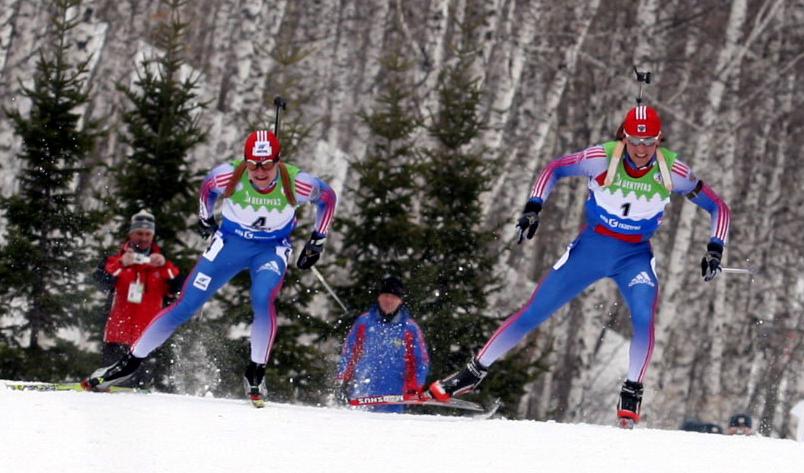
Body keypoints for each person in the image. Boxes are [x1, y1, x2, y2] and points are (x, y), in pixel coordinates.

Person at [427, 105, 731, 428]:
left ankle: (631, 391)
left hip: (634, 256)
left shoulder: (674, 172)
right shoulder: (602, 157)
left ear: (659, 140)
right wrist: (534, 206)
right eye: (634, 141)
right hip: (591, 249)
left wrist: (715, 248)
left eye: (649, 142)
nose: (641, 150)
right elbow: (553, 169)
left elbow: (719, 208)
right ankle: (472, 373)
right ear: (623, 137)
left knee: (643, 316)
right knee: (534, 311)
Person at [82, 130, 337, 404]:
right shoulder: (229, 177)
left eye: (266, 164)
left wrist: (317, 241)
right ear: (245, 161)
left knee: (263, 299)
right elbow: (207, 189)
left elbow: (328, 198)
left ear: (278, 161)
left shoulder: (298, 184)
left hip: (270, 249)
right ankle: (129, 363)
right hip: (229, 245)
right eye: (252, 164)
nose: (260, 172)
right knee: (185, 306)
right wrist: (206, 220)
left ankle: (255, 371)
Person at [93, 210, 182, 386]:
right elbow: (101, 282)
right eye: (139, 233)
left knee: (141, 394)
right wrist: (121, 264)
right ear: (131, 233)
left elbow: (180, 288)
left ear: (153, 235)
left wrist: (164, 266)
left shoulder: (163, 264)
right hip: (116, 337)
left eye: (148, 234)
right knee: (109, 388)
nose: (143, 238)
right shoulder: (115, 259)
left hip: (146, 340)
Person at [337, 276, 429, 413]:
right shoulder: (363, 323)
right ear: (379, 297)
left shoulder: (410, 329)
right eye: (385, 295)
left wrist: (414, 387)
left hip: (394, 399)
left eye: (394, 297)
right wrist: (343, 377)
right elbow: (349, 352)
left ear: (400, 301)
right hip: (362, 395)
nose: (389, 300)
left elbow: (420, 361)